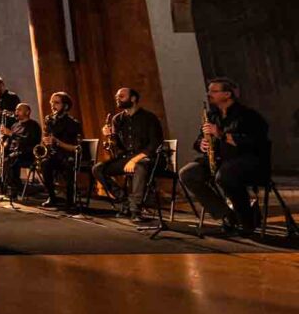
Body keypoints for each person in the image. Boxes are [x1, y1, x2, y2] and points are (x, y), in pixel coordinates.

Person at [179, 78, 270, 235]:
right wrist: (201, 144)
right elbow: (199, 139)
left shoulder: (248, 115)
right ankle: (226, 215)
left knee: (225, 175)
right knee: (188, 173)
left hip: (246, 161)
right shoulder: (212, 116)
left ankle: (246, 220)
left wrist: (221, 134)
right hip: (219, 160)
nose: (209, 94)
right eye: (209, 91)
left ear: (227, 94)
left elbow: (254, 143)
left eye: (214, 91)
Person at [91, 87, 164, 221]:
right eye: (117, 97)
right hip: (127, 158)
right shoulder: (117, 119)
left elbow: (155, 144)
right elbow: (117, 146)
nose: (118, 99)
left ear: (133, 98)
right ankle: (124, 201)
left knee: (139, 167)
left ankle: (135, 209)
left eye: (122, 96)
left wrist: (134, 159)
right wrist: (110, 135)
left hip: (147, 158)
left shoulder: (149, 117)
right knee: (98, 169)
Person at [39, 92, 83, 210]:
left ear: (66, 106)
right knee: (44, 163)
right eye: (52, 102)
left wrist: (58, 142)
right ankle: (52, 197)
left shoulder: (73, 123)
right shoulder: (49, 119)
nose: (53, 105)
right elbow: (47, 137)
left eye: (57, 103)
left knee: (69, 165)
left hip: (69, 155)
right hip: (54, 155)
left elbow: (77, 148)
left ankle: (70, 201)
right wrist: (46, 141)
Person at [0, 103, 41, 197]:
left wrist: (11, 134)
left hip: (26, 154)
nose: (16, 112)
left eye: (19, 110)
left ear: (27, 112)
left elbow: (28, 141)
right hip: (12, 153)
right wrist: (3, 145)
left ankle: (15, 189)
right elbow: (9, 141)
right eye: (16, 110)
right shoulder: (14, 125)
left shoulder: (33, 125)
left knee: (8, 161)